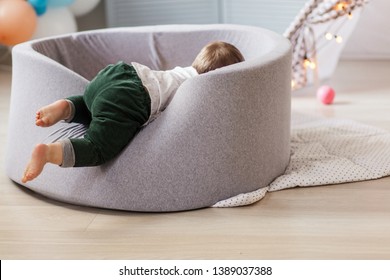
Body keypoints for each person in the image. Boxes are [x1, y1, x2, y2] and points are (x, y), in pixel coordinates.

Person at [22, 41, 245, 183]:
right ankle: (49, 152)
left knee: (94, 107)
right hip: (133, 99)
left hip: (118, 73)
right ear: (218, 77)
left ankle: (66, 107)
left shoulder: (180, 72)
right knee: (99, 147)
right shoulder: (200, 88)